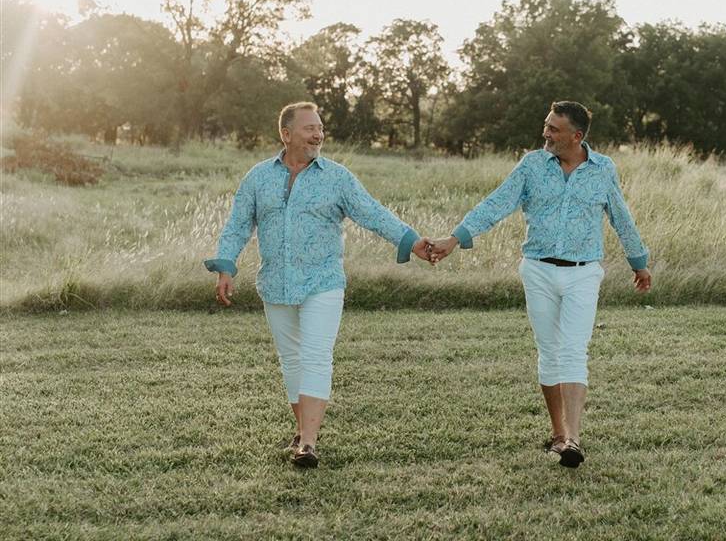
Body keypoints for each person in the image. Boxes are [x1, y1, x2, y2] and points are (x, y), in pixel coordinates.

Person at [204, 101, 433, 469]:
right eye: (310, 128)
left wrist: (413, 241)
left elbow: (371, 213)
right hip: (275, 283)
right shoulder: (258, 177)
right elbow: (238, 224)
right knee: (291, 359)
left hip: (323, 281)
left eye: (321, 128)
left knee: (315, 355)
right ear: (286, 134)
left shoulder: (337, 177)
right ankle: (302, 431)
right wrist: (226, 265)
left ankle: (308, 442)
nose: (318, 134)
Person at [428, 101, 651, 468]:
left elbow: (620, 216)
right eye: (546, 126)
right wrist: (455, 239)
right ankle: (559, 434)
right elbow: (497, 203)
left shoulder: (603, 169)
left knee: (574, 351)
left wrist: (638, 262)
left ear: (576, 136)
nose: (545, 133)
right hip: (539, 271)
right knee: (549, 351)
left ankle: (574, 439)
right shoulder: (532, 164)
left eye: (554, 129)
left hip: (583, 272)